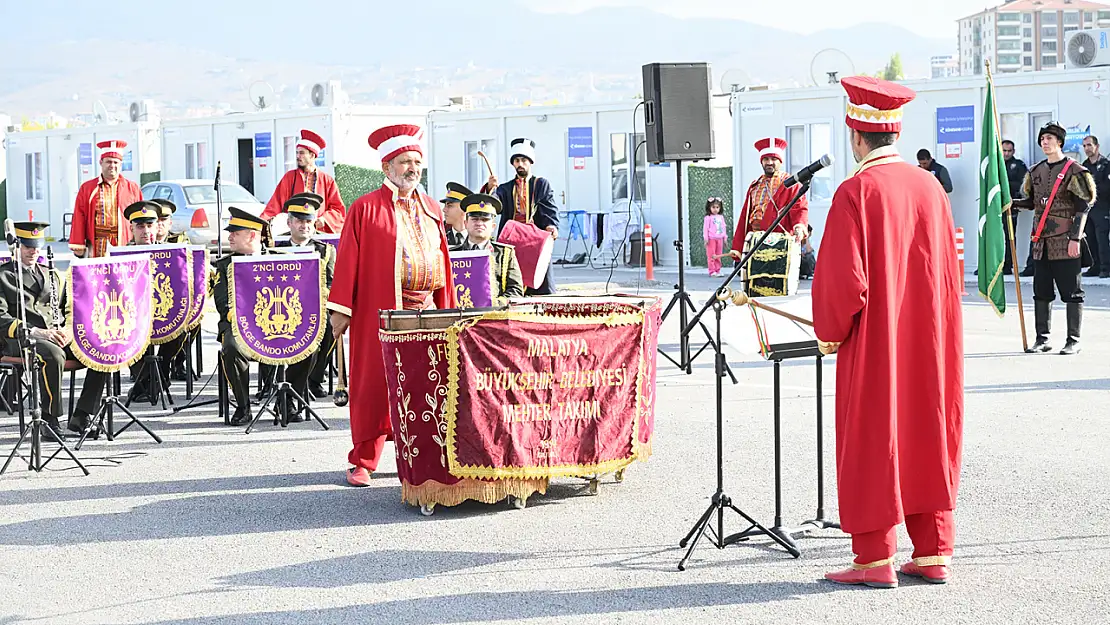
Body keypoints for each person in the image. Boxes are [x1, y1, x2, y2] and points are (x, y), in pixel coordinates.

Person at [813, 76, 964, 589]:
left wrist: (829, 332)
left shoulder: (855, 191)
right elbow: (949, 271)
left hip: (878, 341)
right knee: (929, 431)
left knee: (875, 437)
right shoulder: (931, 188)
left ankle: (875, 557)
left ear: (857, 136)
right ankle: (934, 552)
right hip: (932, 338)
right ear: (895, 133)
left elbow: (841, 283)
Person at [327, 124, 456, 487]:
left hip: (428, 310)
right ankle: (364, 460)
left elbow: (442, 259)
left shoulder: (432, 207)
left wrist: (448, 306)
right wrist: (341, 309)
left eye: (416, 161)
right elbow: (348, 259)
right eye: (403, 162)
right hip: (381, 311)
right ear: (387, 167)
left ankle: (425, 455)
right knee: (375, 386)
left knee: (428, 384)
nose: (411, 168)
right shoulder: (364, 208)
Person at [0, 222, 111, 440]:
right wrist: (38, 332)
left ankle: (82, 415)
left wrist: (68, 331)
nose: (33, 251)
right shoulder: (4, 276)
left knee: (102, 350)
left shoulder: (51, 274)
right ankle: (49, 420)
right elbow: (1, 317)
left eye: (37, 247)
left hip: (53, 335)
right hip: (20, 338)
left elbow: (70, 309)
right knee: (53, 354)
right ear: (16, 247)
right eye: (27, 247)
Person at [212, 206, 315, 425]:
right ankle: (243, 406)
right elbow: (223, 304)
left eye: (235, 233)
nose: (229, 237)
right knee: (231, 347)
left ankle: (286, 400)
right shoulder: (225, 265)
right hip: (240, 328)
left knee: (309, 345)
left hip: (280, 326)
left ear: (252, 235)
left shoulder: (281, 260)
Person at [1011, 122, 1095, 356]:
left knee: (1072, 292)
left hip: (1065, 239)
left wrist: (1075, 238)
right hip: (1041, 242)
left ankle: (1073, 340)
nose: (1045, 142)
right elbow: (1031, 202)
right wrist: (1011, 204)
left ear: (1059, 142)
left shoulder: (1075, 170)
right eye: (1042, 139)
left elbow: (1083, 206)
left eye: (1049, 138)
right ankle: (1042, 339)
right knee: (1041, 291)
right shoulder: (1035, 171)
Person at [119, 201, 189, 403]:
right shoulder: (121, 255)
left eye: (150, 225)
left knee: (182, 326)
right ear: (131, 228)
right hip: (134, 316)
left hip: (164, 314)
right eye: (140, 226)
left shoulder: (172, 254)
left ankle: (162, 371)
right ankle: (147, 380)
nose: (146, 231)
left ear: (157, 226)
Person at [485, 138, 559, 295]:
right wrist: (490, 189)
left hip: (534, 239)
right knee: (510, 281)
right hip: (512, 241)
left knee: (542, 283)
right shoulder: (505, 188)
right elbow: (493, 205)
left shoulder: (541, 184)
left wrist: (551, 225)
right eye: (517, 160)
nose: (520, 164)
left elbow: (549, 208)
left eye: (524, 160)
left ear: (530, 162)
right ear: (513, 164)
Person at [282, 192, 337, 401]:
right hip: (284, 310)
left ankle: (313, 380)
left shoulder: (326, 251)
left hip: (316, 311)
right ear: (289, 223)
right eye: (299, 220)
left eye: (308, 221)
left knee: (330, 328)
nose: (304, 225)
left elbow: (332, 284)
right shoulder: (275, 250)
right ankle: (277, 384)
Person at [728, 137, 809, 262]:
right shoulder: (755, 185)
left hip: (779, 242)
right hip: (755, 243)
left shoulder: (791, 183)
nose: (769, 162)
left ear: (780, 161)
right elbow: (745, 216)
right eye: (766, 159)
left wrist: (799, 226)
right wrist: (738, 246)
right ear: (761, 162)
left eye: (774, 159)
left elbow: (800, 207)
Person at [261, 129, 346, 234]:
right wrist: (260, 224)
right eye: (297, 153)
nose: (297, 156)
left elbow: (338, 210)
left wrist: (324, 219)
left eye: (301, 153)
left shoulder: (327, 181)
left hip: (318, 234)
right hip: (292, 234)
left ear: (312, 155)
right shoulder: (289, 177)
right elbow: (274, 206)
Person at [70, 140, 143, 258]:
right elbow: (79, 215)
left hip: (125, 243)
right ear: (101, 162)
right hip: (97, 244)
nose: (112, 166)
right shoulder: (88, 188)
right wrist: (78, 244)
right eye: (108, 161)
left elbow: (140, 218)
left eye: (116, 162)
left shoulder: (132, 188)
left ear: (121, 164)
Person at [451, 193, 525, 303]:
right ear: (466, 223)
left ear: (493, 227)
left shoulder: (505, 254)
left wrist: (494, 304)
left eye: (485, 220)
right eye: (475, 219)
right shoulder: (452, 254)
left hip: (494, 315)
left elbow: (516, 291)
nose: (479, 223)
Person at [1081, 135, 1110, 279]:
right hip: (1088, 207)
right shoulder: (1084, 166)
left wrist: (1094, 189)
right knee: (1090, 237)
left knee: (1102, 238)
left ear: (1096, 147)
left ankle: (1106, 267)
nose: (1087, 148)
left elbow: (1107, 186)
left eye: (1089, 145)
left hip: (1102, 206)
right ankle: (1095, 266)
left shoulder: (1106, 164)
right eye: (1085, 146)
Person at [1001, 140, 1031, 276]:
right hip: (995, 205)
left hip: (1011, 204)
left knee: (1009, 236)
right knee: (993, 236)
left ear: (1013, 151)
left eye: (1009, 151)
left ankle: (1008, 264)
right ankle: (991, 265)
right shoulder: (994, 165)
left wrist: (1005, 184)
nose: (1006, 153)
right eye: (1004, 150)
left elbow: (1023, 184)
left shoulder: (1018, 165)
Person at [702, 197, 728, 277]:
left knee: (718, 255)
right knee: (711, 255)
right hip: (711, 239)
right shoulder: (708, 218)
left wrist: (725, 238)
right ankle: (712, 271)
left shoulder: (721, 217)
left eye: (717, 207)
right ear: (709, 208)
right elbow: (705, 229)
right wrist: (706, 239)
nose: (715, 209)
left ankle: (718, 270)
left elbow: (723, 227)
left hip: (719, 239)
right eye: (713, 207)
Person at [441, 182, 471, 248]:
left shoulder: (476, 236)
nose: (444, 210)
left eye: (449, 205)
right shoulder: (440, 237)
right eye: (445, 205)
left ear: (464, 209)